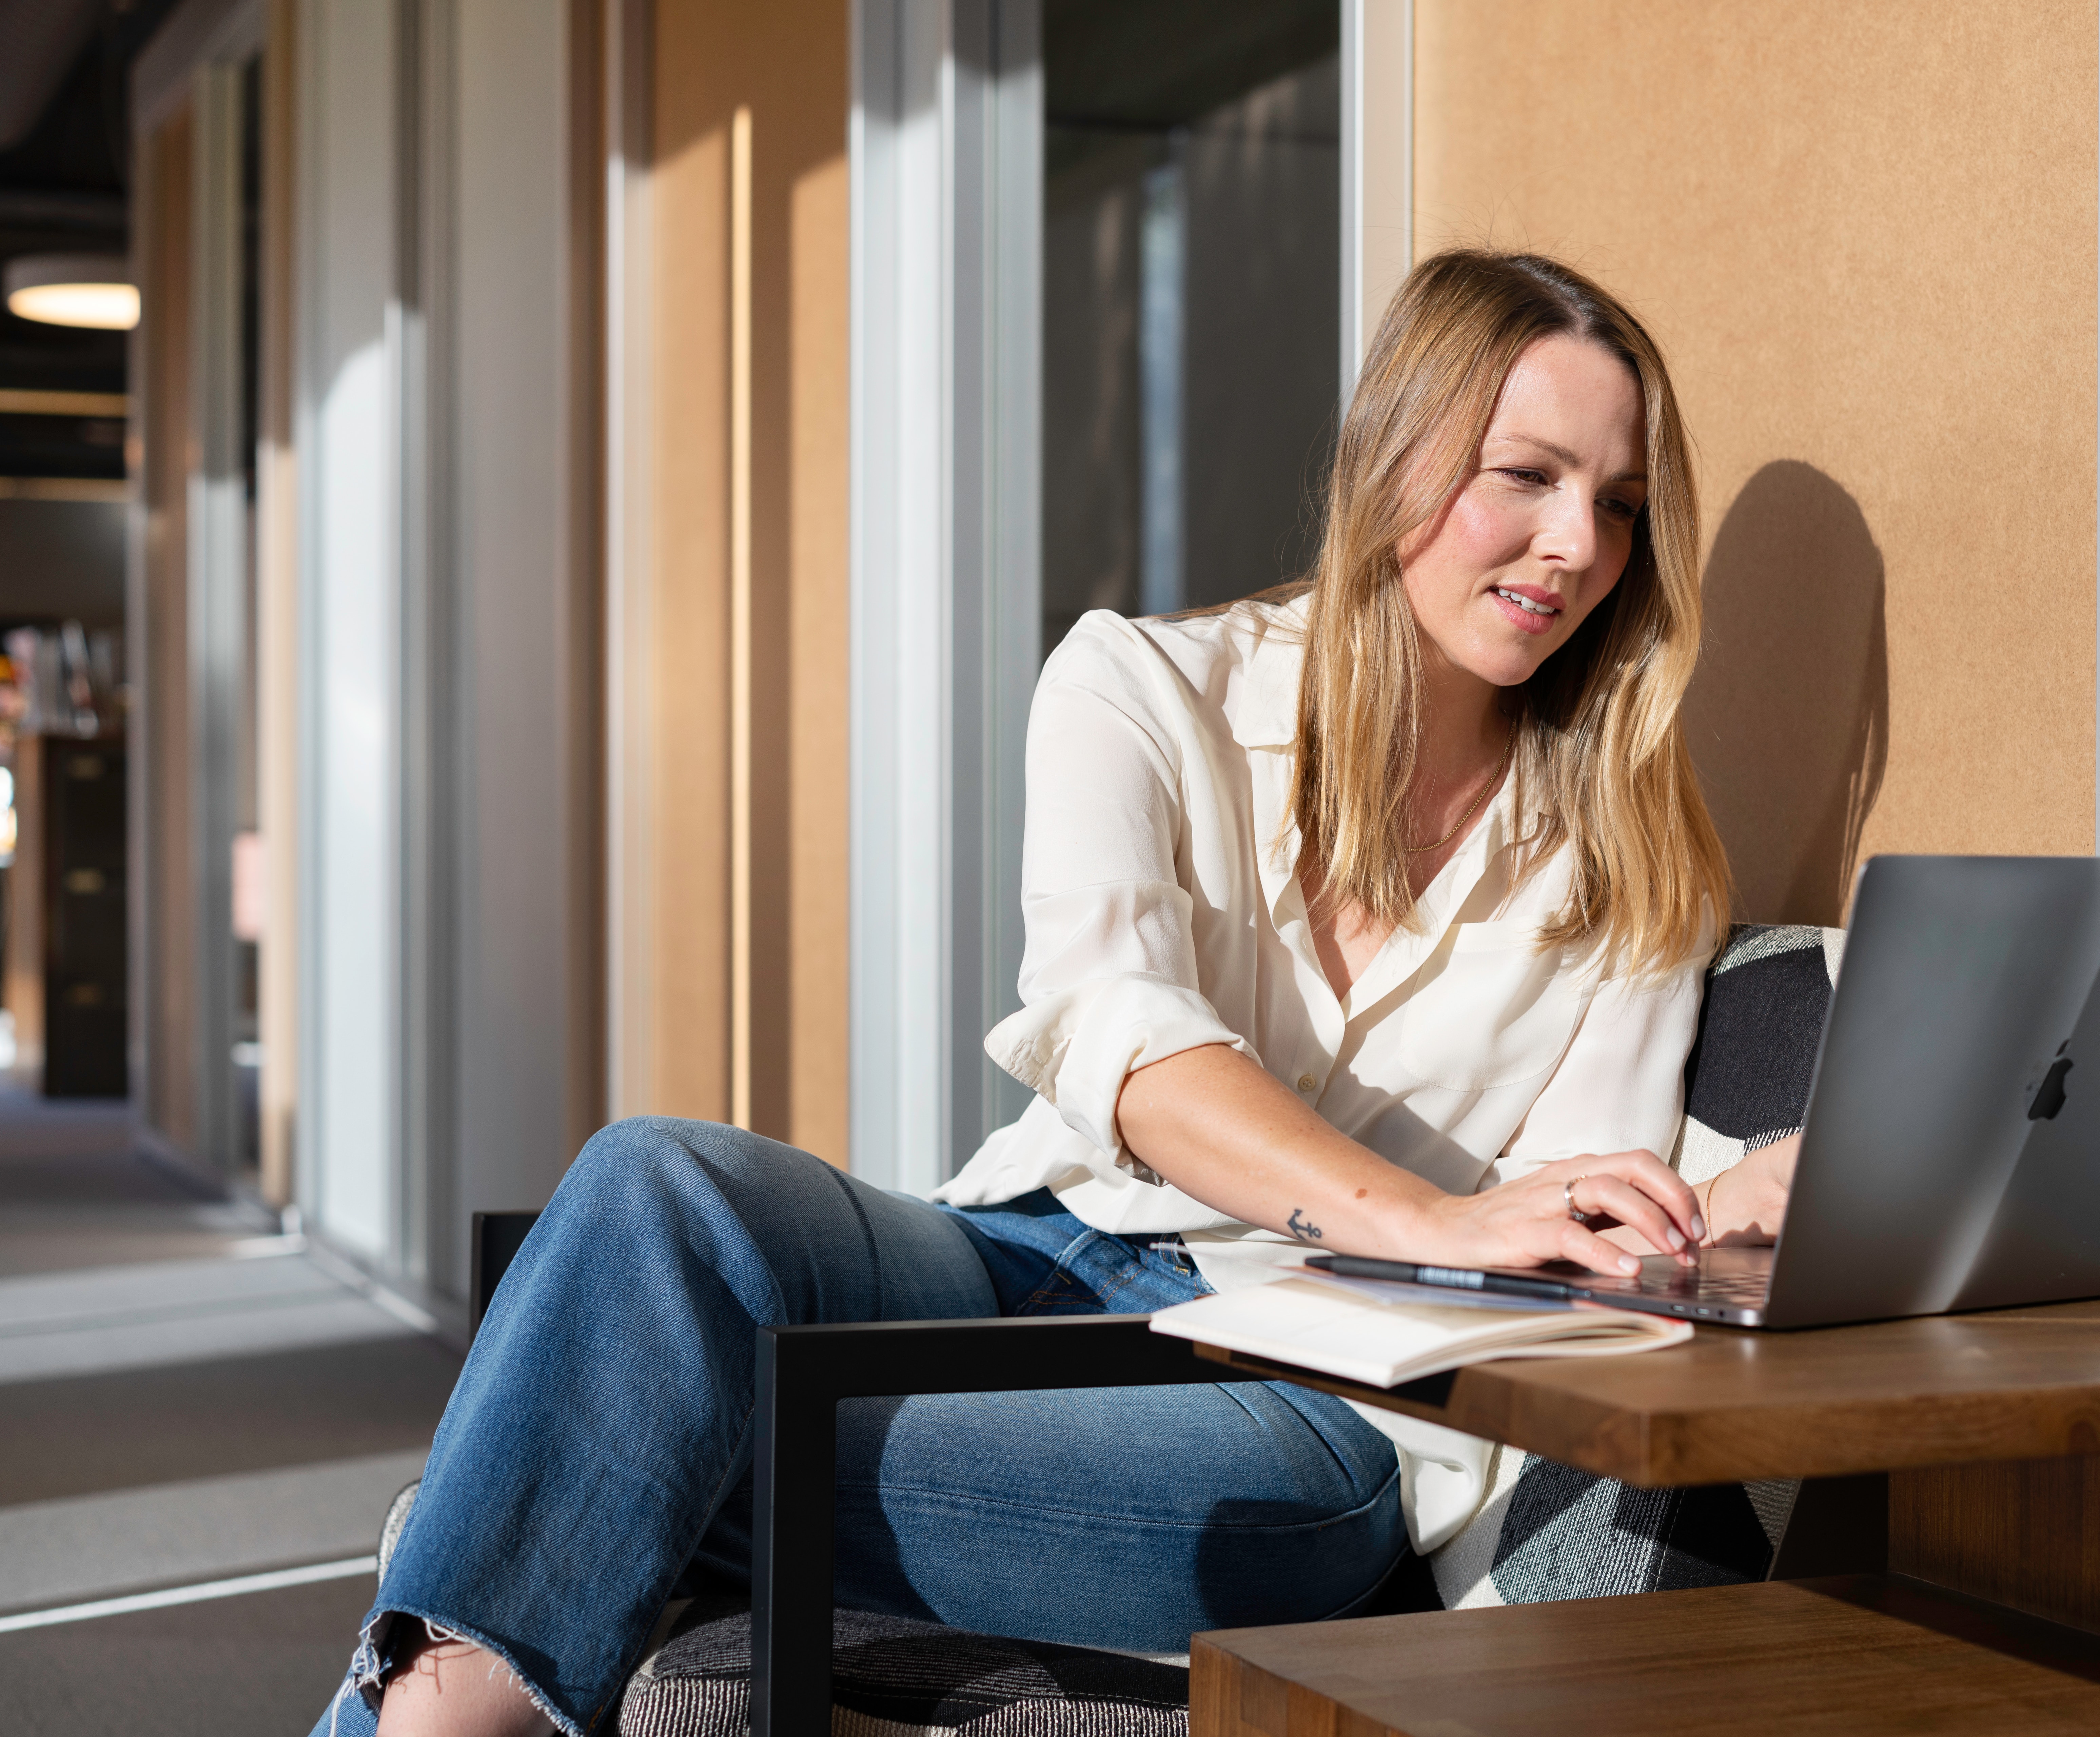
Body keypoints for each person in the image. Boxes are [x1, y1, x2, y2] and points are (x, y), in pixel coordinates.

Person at [322, 249, 1798, 1737]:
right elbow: (1124, 1040)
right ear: (1397, 459)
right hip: (1028, 1252)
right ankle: (507, 1567)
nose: (1572, 547)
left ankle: (500, 1545)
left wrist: (1742, 1197)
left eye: (1615, 507)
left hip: (1304, 1399)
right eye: (1527, 476)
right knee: (658, 1184)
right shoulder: (1143, 690)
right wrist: (1422, 1212)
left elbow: (1575, 1207)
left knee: (590, 1439)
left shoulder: (1629, 847)